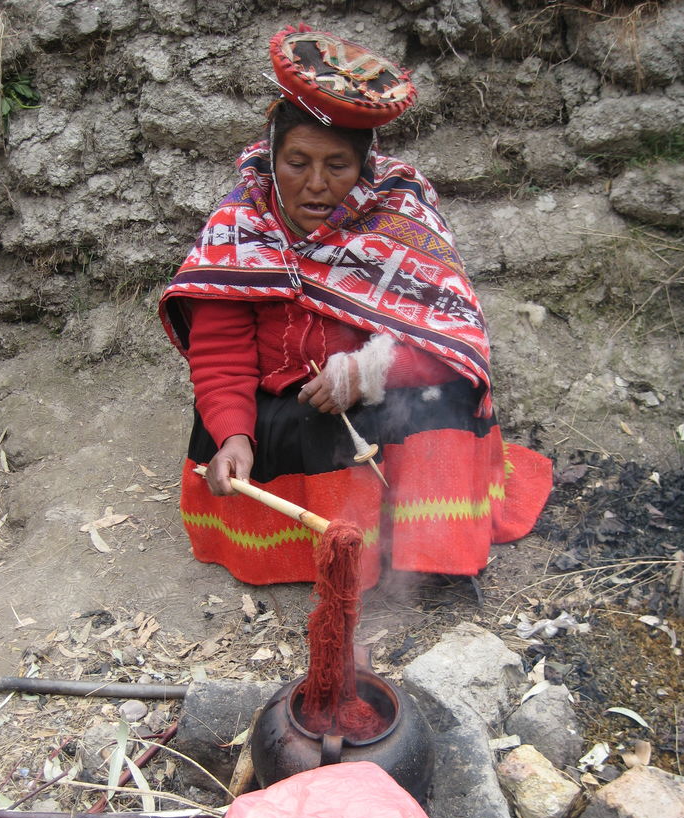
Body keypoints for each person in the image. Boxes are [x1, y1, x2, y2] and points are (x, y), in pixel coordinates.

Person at [159, 25, 552, 591]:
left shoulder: (399, 217)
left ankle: (430, 550)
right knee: (301, 426)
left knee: (445, 398)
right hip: (281, 403)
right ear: (272, 159)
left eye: (338, 166)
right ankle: (336, 555)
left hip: (374, 388)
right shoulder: (240, 227)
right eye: (297, 162)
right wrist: (232, 436)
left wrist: (367, 371)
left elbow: (453, 340)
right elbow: (221, 355)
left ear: (364, 166)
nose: (316, 185)